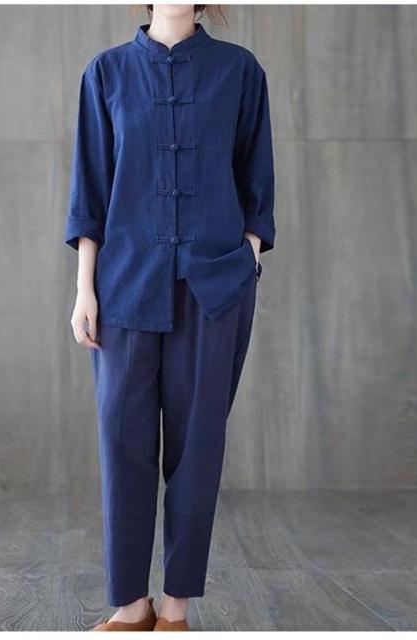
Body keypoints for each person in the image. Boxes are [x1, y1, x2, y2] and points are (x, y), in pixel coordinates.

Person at [64, 3, 275, 632]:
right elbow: (90, 190)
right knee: (121, 442)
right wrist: (84, 290)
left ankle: (176, 608)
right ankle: (131, 606)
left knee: (197, 446)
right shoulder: (105, 73)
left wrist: (246, 255)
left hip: (213, 287)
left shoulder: (240, 71)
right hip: (124, 285)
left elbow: (257, 180)